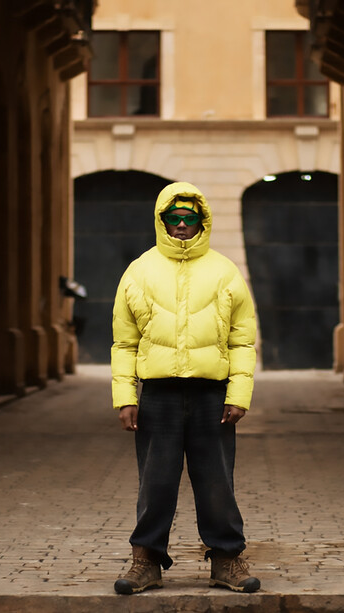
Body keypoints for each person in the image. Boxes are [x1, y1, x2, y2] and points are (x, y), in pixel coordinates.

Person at [111, 181, 260, 595]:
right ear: (162, 221)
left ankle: (227, 560)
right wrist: (126, 396)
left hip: (212, 396)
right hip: (157, 394)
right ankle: (146, 562)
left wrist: (238, 395)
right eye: (173, 218)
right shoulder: (139, 271)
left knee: (216, 482)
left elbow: (241, 340)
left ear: (202, 221)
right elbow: (124, 343)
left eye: (189, 218)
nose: (181, 225)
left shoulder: (224, 271)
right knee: (155, 482)